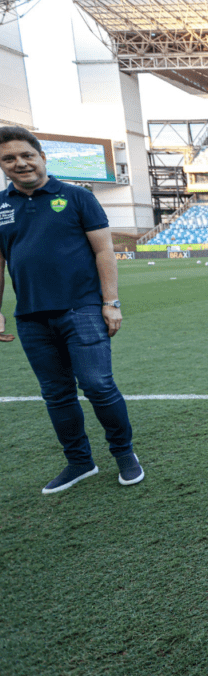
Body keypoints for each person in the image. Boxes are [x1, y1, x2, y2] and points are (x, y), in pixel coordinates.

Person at [0, 126, 143, 494]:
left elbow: (104, 252)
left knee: (97, 384)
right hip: (31, 317)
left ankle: (124, 454)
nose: (20, 163)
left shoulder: (77, 197)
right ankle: (80, 462)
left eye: (26, 155)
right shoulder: (1, 207)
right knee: (56, 393)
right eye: (9, 158)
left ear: (42, 157)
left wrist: (110, 302)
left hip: (81, 310)